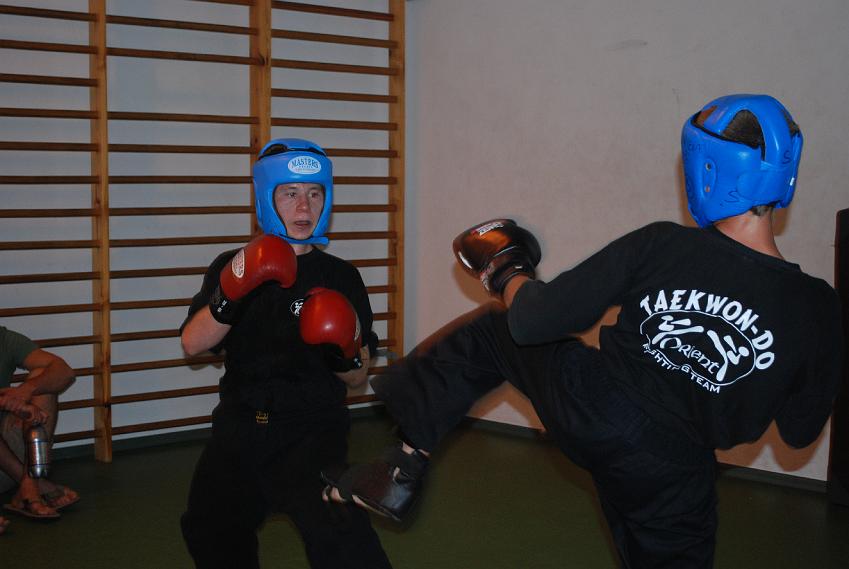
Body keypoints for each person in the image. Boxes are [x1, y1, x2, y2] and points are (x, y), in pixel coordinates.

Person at [322, 94, 844, 568]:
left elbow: (535, 318)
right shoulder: (819, 305)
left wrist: (507, 271)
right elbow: (799, 431)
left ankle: (401, 468)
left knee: (499, 330)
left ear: (706, 169)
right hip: (678, 474)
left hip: (598, 407)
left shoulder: (665, 244)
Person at [179, 138, 392, 569]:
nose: (303, 206)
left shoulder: (341, 277)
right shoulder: (233, 264)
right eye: (290, 193)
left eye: (314, 193)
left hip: (313, 432)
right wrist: (233, 291)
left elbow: (357, 379)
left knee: (344, 540)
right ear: (266, 197)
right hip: (239, 428)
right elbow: (192, 344)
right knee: (209, 528)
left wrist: (345, 348)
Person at [0, 325, 79, 521]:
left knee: (43, 378)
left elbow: (64, 372)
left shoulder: (4, 339)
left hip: (8, 459)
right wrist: (7, 402)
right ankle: (35, 486)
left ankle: (29, 484)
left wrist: (24, 391)